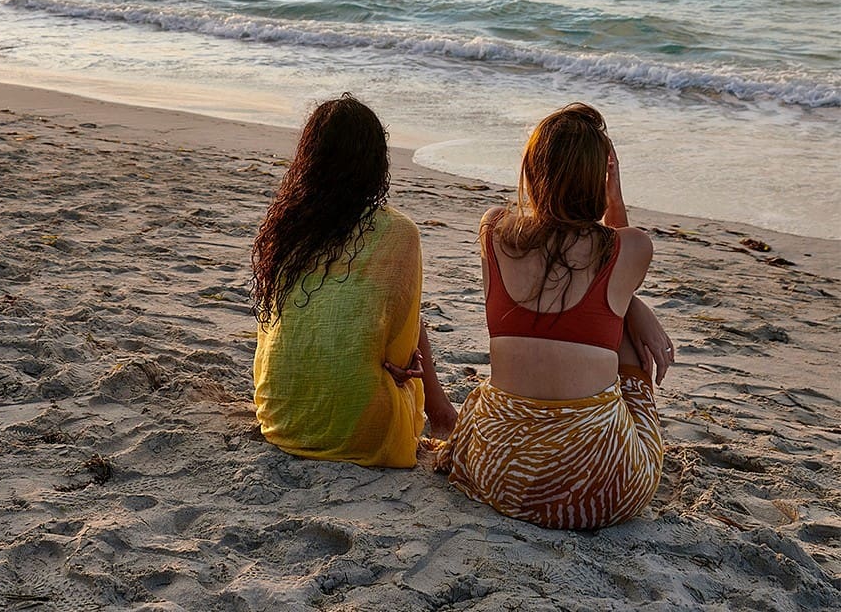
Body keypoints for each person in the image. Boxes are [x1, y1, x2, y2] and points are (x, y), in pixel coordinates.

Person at [435, 102, 674, 529]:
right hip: (602, 489)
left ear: (531, 171)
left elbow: (586, 274)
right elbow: (616, 264)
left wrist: (629, 307)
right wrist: (615, 200)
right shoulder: (634, 247)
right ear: (599, 178)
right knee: (619, 329)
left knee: (610, 312)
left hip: (500, 474)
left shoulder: (493, 231)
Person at [251, 94, 458, 468]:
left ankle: (439, 412)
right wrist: (403, 367)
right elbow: (399, 355)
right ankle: (442, 414)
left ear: (308, 159)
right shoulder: (399, 232)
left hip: (278, 417)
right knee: (403, 332)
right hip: (364, 430)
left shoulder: (287, 226)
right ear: (376, 163)